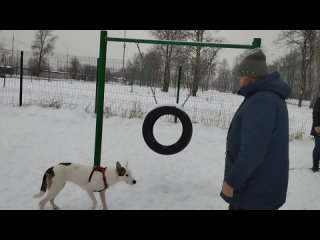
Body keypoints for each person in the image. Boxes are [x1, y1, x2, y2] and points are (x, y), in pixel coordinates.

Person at [220, 49, 291, 210]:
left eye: (241, 77)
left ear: (249, 76)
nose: (239, 81)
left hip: (254, 192)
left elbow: (252, 151)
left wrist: (232, 181)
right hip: (262, 187)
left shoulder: (262, 101)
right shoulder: (269, 97)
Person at [310, 97, 320, 172]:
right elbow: (315, 114)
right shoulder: (319, 100)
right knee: (318, 147)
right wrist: (317, 126)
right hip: (318, 128)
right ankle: (315, 166)